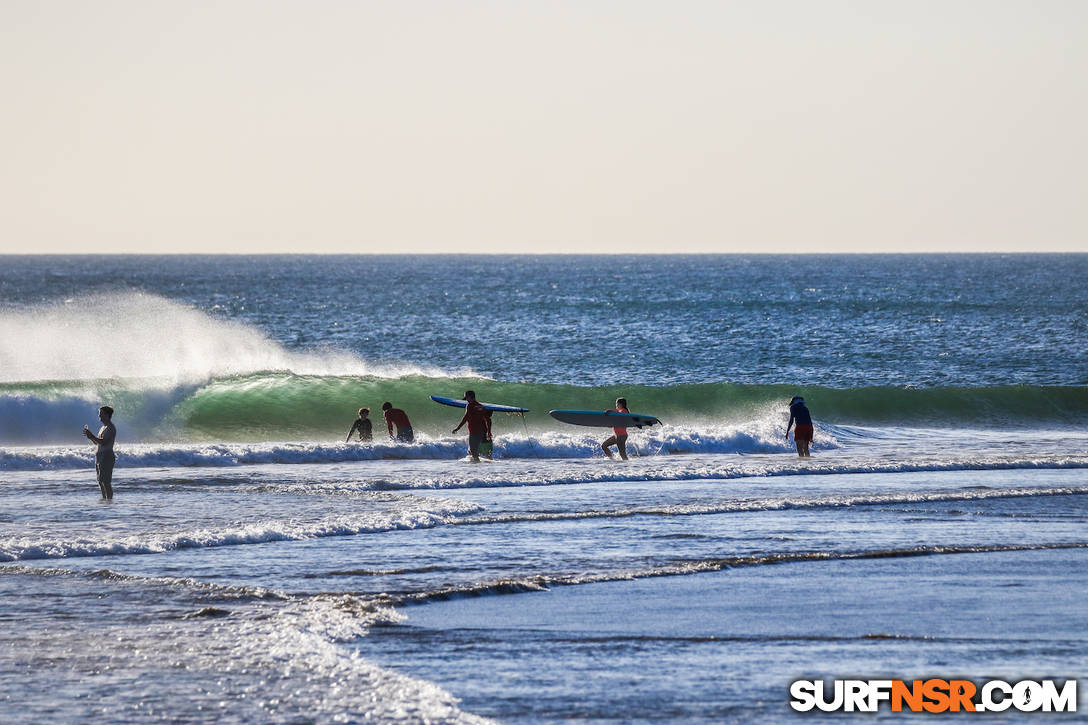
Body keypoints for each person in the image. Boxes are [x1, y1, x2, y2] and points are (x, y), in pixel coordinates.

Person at [82, 405, 116, 499]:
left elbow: (103, 442)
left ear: (106, 415)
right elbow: (97, 443)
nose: (99, 416)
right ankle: (105, 499)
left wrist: (92, 436)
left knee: (106, 482)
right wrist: (90, 436)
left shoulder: (110, 428)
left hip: (107, 456)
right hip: (100, 456)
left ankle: (109, 501)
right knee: (100, 481)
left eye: (101, 414)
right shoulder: (103, 428)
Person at [451, 390, 492, 462]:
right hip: (481, 432)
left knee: (473, 452)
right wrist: (488, 431)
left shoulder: (470, 405)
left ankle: (477, 467)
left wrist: (458, 428)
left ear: (469, 397)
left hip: (474, 432)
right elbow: (488, 420)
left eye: (466, 397)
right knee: (471, 451)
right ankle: (474, 466)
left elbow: (466, 417)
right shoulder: (481, 406)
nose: (466, 399)